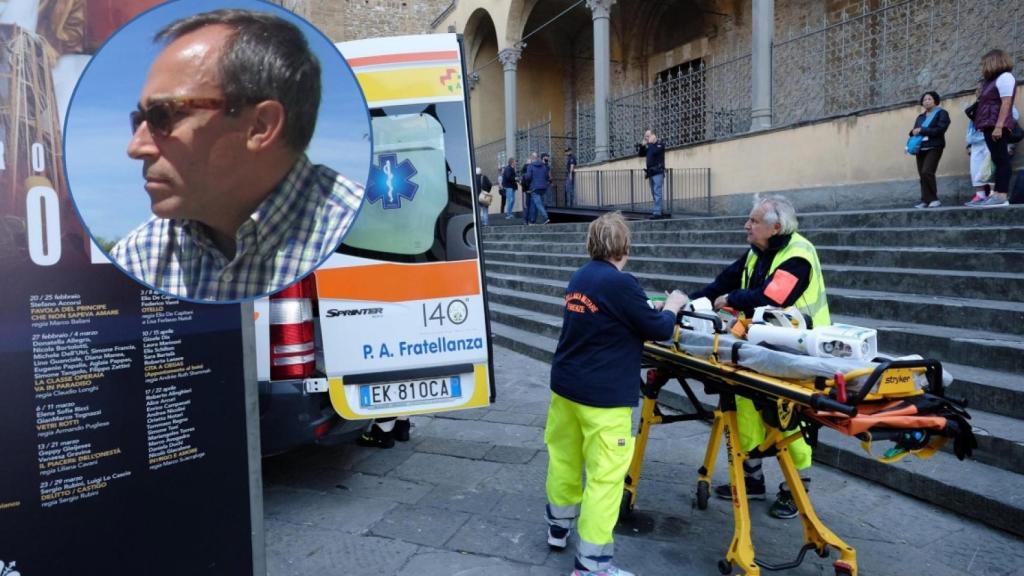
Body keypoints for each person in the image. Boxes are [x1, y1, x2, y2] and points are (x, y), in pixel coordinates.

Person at [110, 9, 363, 301]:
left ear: (259, 126)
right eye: (137, 120)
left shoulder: (359, 238)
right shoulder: (140, 256)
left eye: (162, 116)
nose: (136, 147)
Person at [546, 212, 687, 576]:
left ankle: (558, 528)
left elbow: (611, 316)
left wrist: (643, 307)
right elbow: (658, 330)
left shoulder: (581, 276)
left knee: (563, 458)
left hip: (566, 387)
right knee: (605, 478)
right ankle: (591, 564)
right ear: (624, 246)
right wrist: (671, 306)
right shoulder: (621, 283)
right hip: (603, 397)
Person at [688, 194, 830, 520]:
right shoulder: (758, 252)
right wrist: (687, 302)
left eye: (753, 221)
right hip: (762, 347)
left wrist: (730, 299)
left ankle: (797, 487)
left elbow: (772, 297)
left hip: (800, 351)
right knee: (744, 405)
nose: (746, 226)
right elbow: (721, 282)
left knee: (789, 417)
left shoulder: (798, 255)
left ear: (775, 227)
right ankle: (752, 477)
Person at [970, 49, 1017, 208]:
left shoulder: (1005, 77)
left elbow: (1006, 103)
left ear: (993, 61)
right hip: (989, 125)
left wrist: (999, 126)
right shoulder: (991, 81)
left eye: (984, 63)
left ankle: (1001, 195)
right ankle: (997, 194)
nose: (983, 66)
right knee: (998, 159)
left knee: (1001, 159)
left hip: (997, 125)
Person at [908, 91, 950, 208]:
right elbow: (914, 131)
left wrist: (922, 130)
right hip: (920, 148)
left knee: (927, 171)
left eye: (929, 99)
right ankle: (925, 200)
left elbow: (941, 129)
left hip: (935, 146)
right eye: (925, 100)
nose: (926, 101)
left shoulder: (942, 113)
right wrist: (913, 132)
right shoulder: (920, 117)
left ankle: (934, 199)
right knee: (922, 174)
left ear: (935, 100)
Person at [636, 129, 666, 219]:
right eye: (645, 136)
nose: (646, 138)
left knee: (657, 192)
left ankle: (657, 213)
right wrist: (642, 145)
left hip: (658, 172)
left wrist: (651, 143)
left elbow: (655, 152)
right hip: (651, 172)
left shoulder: (659, 144)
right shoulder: (650, 146)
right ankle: (658, 210)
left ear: (653, 136)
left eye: (648, 136)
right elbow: (641, 154)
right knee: (654, 193)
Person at [525, 152, 551, 225]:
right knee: (538, 204)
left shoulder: (530, 166)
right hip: (543, 187)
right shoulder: (544, 166)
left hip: (535, 188)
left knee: (538, 204)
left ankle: (546, 218)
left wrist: (525, 178)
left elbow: (528, 177)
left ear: (532, 159)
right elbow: (547, 176)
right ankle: (533, 220)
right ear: (538, 158)